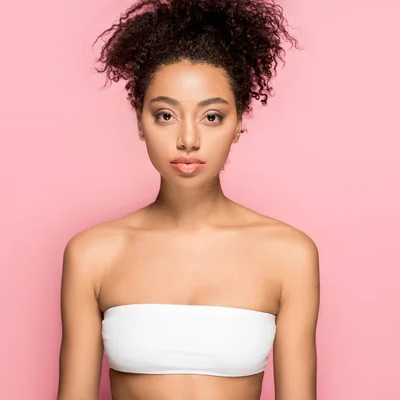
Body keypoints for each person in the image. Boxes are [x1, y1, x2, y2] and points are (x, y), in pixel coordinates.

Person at [57, 0, 320, 399]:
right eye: (165, 115)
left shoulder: (289, 254)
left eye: (211, 116)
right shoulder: (93, 254)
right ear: (140, 122)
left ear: (238, 125)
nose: (188, 140)